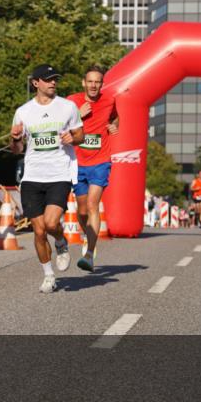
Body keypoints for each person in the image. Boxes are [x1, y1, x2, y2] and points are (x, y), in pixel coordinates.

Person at [10, 64, 84, 293]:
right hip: (32, 177)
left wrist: (73, 138)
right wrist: (15, 138)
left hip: (59, 174)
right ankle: (48, 275)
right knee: (39, 231)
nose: (53, 82)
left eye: (55, 79)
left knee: (51, 224)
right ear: (36, 83)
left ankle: (61, 242)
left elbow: (81, 135)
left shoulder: (68, 107)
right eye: (48, 79)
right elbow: (16, 149)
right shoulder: (23, 112)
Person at [67, 64, 119, 271]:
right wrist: (77, 115)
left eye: (97, 82)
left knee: (92, 205)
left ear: (102, 84)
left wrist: (115, 126)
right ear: (84, 83)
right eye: (90, 81)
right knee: (81, 210)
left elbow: (115, 117)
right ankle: (88, 236)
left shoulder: (110, 100)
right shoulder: (72, 101)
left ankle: (89, 254)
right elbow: (61, 126)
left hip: (101, 161)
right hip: (77, 162)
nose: (93, 85)